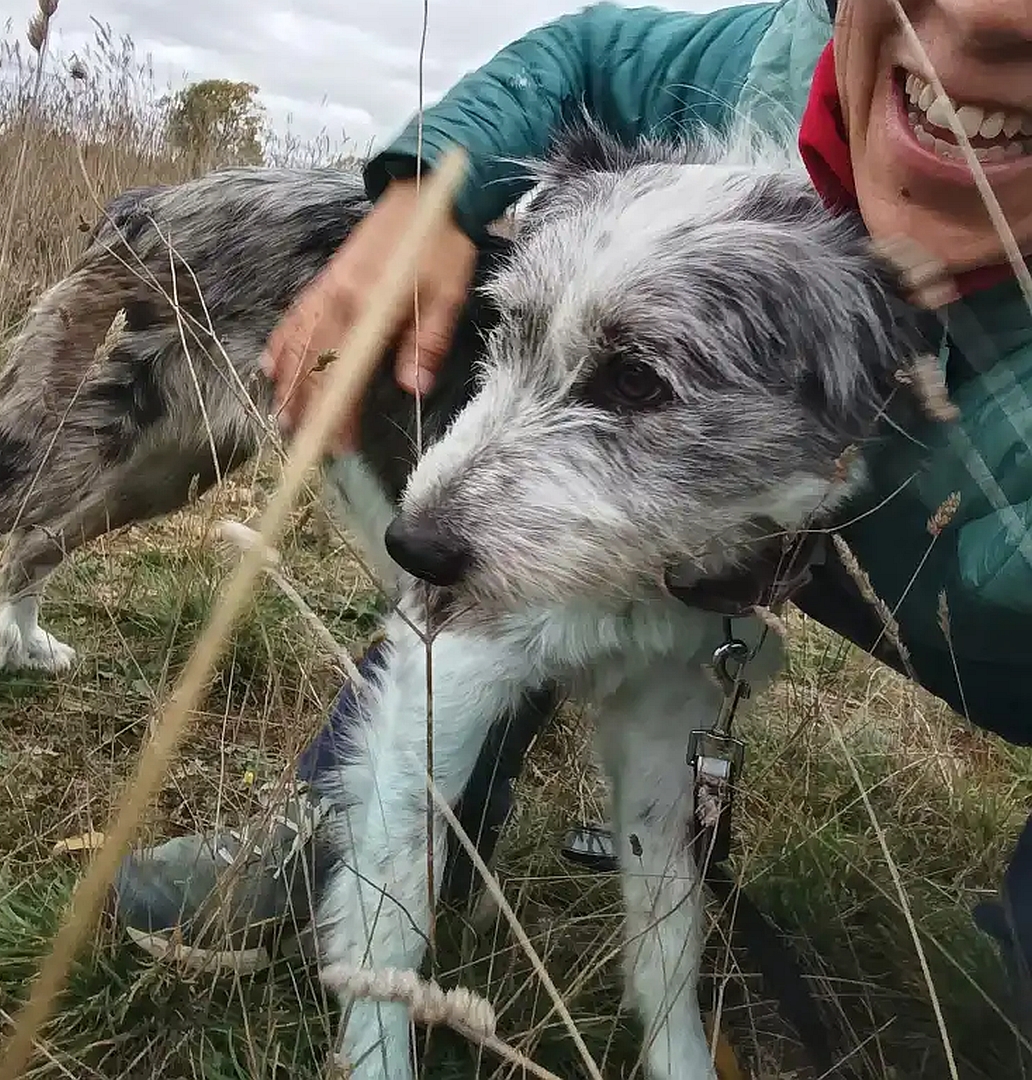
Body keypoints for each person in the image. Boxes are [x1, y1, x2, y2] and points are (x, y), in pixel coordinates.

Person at [112, 0, 1032, 1020]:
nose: (982, 17)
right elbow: (589, 50)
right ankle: (358, 816)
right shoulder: (794, 63)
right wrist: (430, 184)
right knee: (503, 556)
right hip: (761, 498)